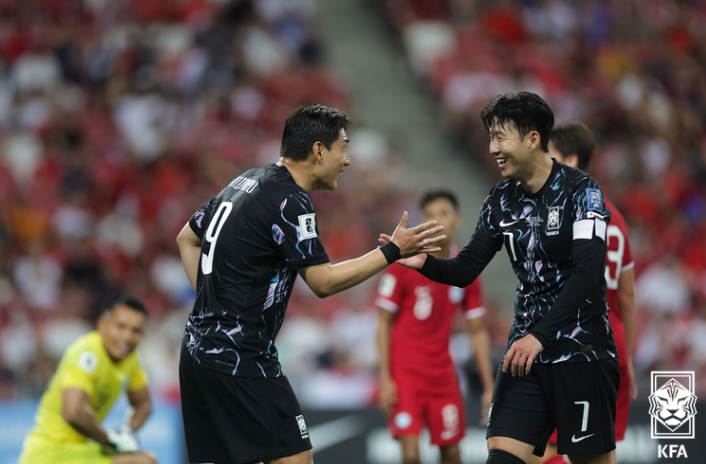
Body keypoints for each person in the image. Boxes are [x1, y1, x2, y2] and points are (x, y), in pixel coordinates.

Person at [175, 104, 445, 464]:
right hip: (240, 355)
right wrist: (393, 251)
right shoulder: (291, 199)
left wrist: (214, 305)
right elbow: (322, 282)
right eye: (343, 148)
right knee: (295, 459)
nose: (347, 160)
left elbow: (186, 238)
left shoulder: (246, 180)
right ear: (319, 150)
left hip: (196, 349)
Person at [381, 92, 619, 464]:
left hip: (581, 354)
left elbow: (588, 274)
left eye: (500, 137)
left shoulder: (582, 191)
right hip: (524, 359)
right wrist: (425, 263)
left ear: (533, 138)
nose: (493, 148)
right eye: (490, 138)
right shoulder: (500, 200)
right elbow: (465, 269)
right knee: (501, 458)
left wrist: (539, 337)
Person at [528, 121, 637, 464]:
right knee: (602, 453)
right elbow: (628, 298)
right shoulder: (615, 216)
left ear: (571, 161)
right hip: (613, 347)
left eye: (551, 157)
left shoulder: (564, 212)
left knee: (535, 446)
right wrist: (628, 360)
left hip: (575, 344)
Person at [376, 189, 495, 464]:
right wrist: (384, 378)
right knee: (410, 453)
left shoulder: (466, 270)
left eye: (443, 213)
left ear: (457, 218)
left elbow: (477, 331)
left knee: (452, 453)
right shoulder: (405, 263)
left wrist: (489, 387)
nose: (436, 220)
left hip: (443, 377)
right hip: (406, 375)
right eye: (429, 215)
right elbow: (383, 323)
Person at [18, 295, 157, 464]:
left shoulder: (131, 358)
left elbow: (144, 404)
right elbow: (72, 412)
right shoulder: (87, 352)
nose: (127, 336)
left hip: (80, 450)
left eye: (136, 331)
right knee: (142, 462)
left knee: (147, 459)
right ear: (102, 325)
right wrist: (109, 440)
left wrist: (126, 432)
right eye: (120, 327)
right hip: (51, 452)